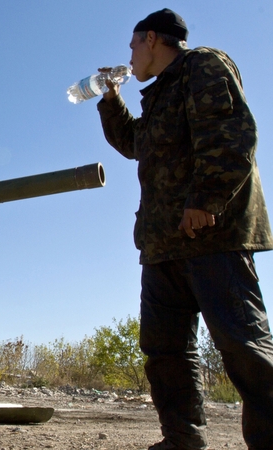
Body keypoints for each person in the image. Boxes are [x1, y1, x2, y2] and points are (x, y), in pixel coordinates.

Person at [96, 9, 273, 450]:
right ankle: (182, 440)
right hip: (162, 244)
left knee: (243, 346)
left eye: (133, 46)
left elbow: (231, 134)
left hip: (211, 235)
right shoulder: (159, 95)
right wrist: (112, 99)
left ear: (151, 39)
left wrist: (206, 200)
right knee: (165, 352)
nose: (130, 56)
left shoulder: (203, 66)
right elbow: (136, 144)